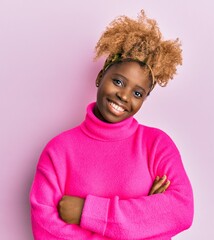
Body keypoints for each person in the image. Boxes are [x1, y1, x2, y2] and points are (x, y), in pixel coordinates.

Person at [29, 10, 194, 239]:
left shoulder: (156, 145)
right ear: (100, 77)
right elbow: (45, 230)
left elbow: (181, 211)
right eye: (118, 81)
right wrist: (142, 220)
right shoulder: (58, 151)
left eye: (137, 92)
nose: (124, 96)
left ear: (144, 99)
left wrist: (87, 212)